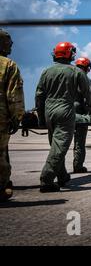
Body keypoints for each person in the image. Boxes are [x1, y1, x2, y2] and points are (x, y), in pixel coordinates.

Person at [35, 42, 91, 192]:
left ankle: (62, 176)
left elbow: (39, 96)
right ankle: (46, 179)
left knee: (55, 145)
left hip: (49, 111)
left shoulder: (46, 71)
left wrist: (40, 118)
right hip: (65, 110)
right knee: (60, 147)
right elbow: (89, 93)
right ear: (69, 54)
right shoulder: (76, 72)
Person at [0, 29, 25, 202]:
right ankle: (1, 189)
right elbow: (14, 96)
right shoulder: (8, 65)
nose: (11, 45)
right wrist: (17, 118)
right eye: (8, 42)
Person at [73, 57, 91, 174]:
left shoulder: (68, 76)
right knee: (79, 142)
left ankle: (59, 169)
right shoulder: (85, 79)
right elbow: (90, 98)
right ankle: (78, 165)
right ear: (87, 67)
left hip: (64, 111)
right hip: (80, 113)